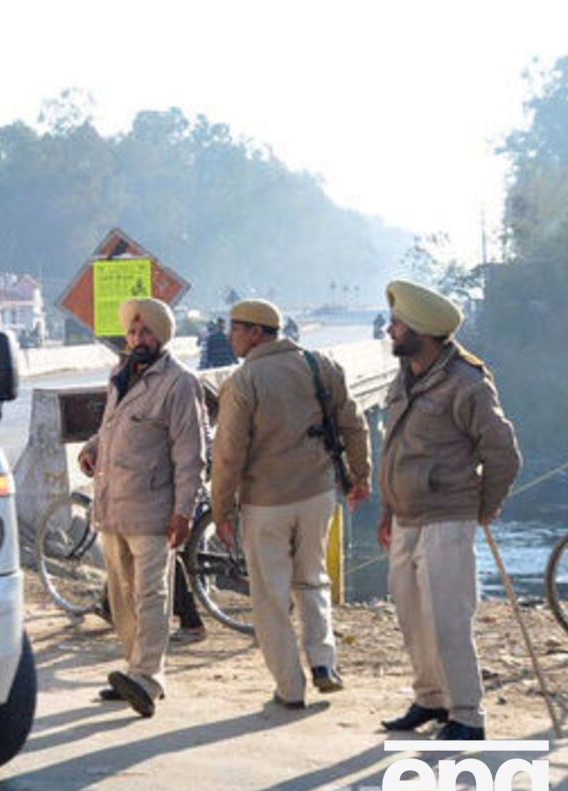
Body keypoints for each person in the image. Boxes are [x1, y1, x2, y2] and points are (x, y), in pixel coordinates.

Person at [378, 280, 521, 742]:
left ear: (423, 331)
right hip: (405, 516)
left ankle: (467, 714)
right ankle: (430, 699)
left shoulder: (468, 383)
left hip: (447, 516)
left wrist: (482, 509)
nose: (391, 330)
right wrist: (386, 508)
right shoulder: (405, 377)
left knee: (447, 620)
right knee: (411, 615)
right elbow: (396, 447)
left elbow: (502, 455)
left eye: (398, 325)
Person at [210, 298, 371, 709]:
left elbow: (228, 455)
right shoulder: (321, 365)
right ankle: (323, 662)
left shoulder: (242, 381)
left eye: (236, 328)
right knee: (312, 579)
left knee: (270, 596)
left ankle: (289, 688)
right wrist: (360, 475)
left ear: (257, 332)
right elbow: (353, 422)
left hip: (266, 503)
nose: (230, 336)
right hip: (318, 494)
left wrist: (222, 509)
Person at [77, 298, 206, 718]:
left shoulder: (180, 383)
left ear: (162, 336)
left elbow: (191, 454)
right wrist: (93, 449)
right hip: (114, 505)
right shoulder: (120, 375)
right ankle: (137, 670)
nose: (138, 339)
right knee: (122, 595)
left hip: (154, 509)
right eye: (133, 333)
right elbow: (110, 428)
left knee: (151, 594)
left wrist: (183, 510)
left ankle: (147, 677)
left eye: (146, 332)